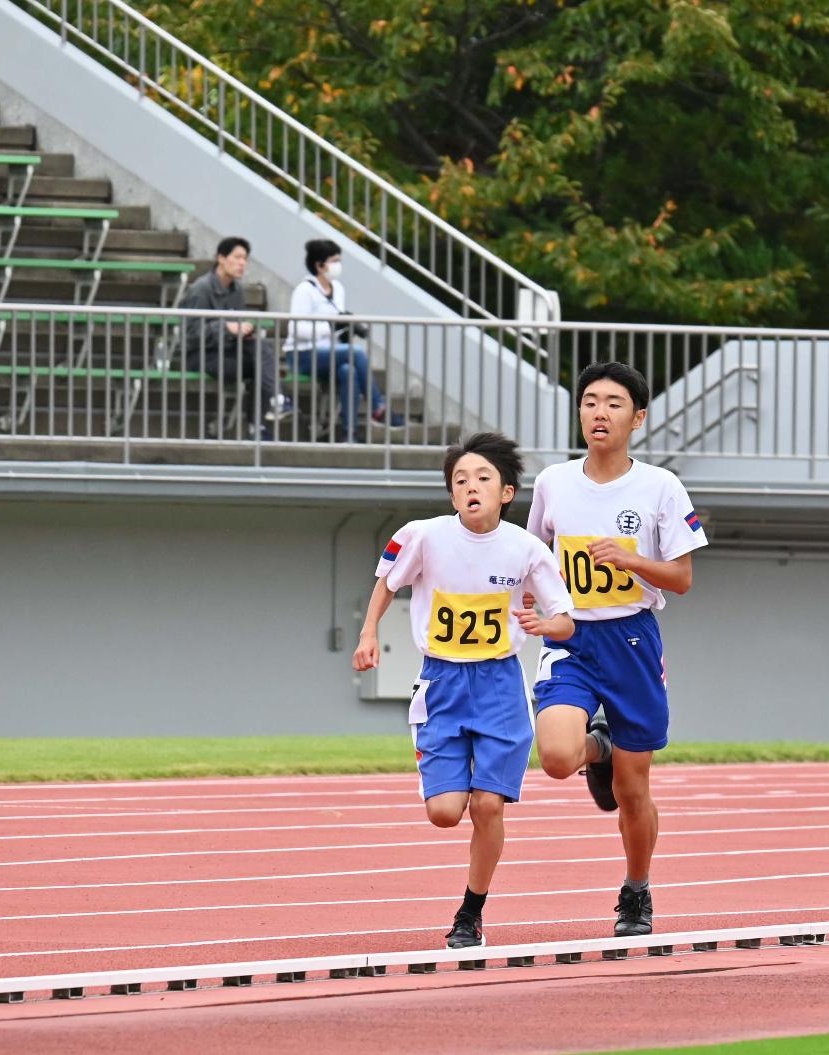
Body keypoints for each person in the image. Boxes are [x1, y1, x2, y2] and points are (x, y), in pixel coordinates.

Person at [352, 433, 575, 948]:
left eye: (482, 478)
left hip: (499, 685)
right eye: (460, 481)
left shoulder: (527, 549)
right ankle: (445, 783)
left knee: (488, 807)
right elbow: (388, 582)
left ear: (506, 493)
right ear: (451, 495)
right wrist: (368, 633)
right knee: (445, 813)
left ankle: (471, 912)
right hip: (441, 681)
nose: (471, 487)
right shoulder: (424, 536)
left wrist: (545, 625)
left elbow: (565, 620)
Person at [525, 361, 707, 937]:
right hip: (572, 637)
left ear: (638, 417)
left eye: (614, 403)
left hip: (631, 639)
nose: (600, 412)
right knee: (555, 759)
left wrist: (630, 560)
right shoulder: (553, 482)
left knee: (633, 790)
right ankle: (593, 749)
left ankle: (636, 890)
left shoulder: (660, 486)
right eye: (590, 402)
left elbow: (680, 578)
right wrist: (525, 610)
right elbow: (531, 558)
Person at [282, 239, 406, 442]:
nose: (337, 265)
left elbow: (336, 325)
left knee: (349, 371)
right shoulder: (305, 290)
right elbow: (295, 328)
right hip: (302, 355)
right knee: (355, 352)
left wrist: (347, 327)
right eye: (333, 261)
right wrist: (329, 326)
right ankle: (378, 406)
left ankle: (350, 434)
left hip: (329, 353)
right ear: (319, 265)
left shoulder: (337, 289)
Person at [179, 236, 292, 437]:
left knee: (260, 354)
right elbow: (192, 333)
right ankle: (266, 414)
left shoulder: (237, 290)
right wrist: (226, 328)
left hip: (228, 350)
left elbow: (236, 326)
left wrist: (244, 331)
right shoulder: (201, 289)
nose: (242, 263)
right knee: (262, 364)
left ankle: (265, 417)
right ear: (221, 259)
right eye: (237, 257)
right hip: (201, 355)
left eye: (245, 258)